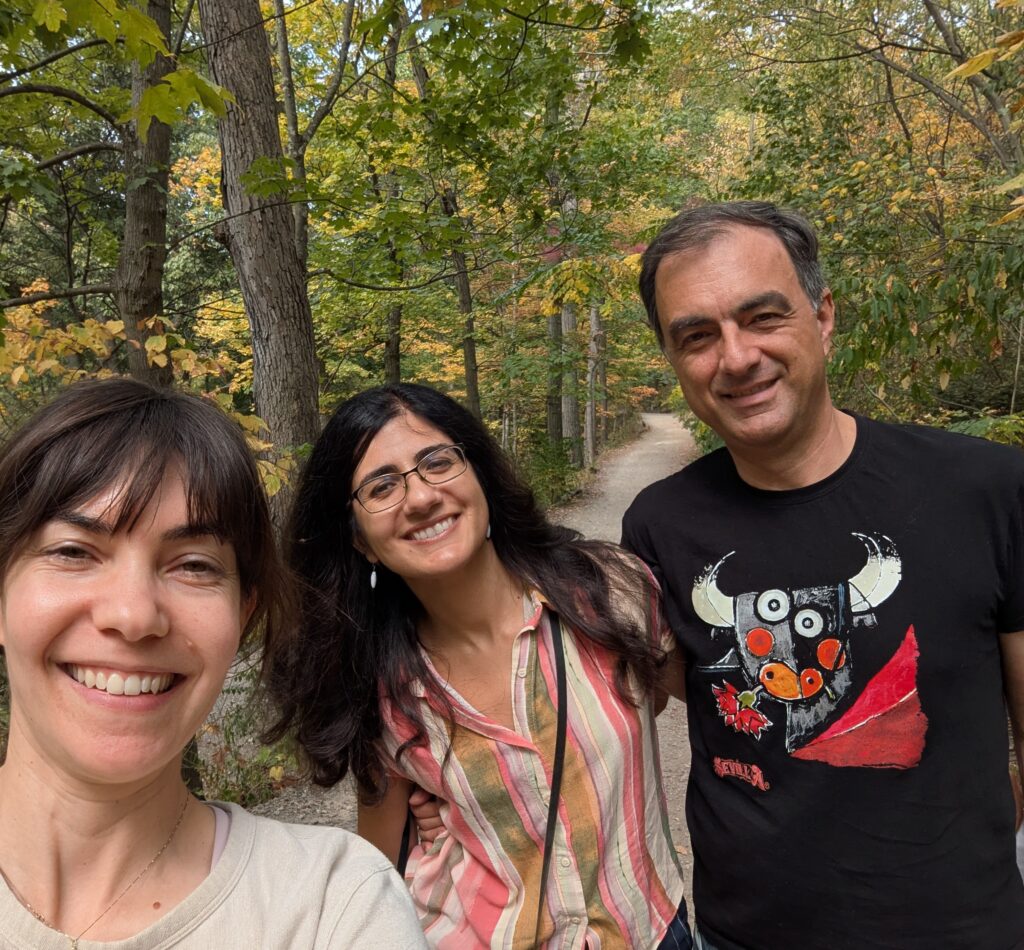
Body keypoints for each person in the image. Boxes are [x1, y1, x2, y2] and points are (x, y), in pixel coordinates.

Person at [621, 200, 1024, 950]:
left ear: (823, 315)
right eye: (697, 336)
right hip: (747, 935)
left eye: (763, 317)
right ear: (674, 359)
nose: (736, 357)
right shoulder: (658, 525)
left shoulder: (988, 490)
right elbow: (632, 702)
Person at [0, 378, 424, 949]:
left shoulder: (334, 906)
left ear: (242, 617)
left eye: (194, 566)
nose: (133, 615)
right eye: (73, 551)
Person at [263, 383, 691, 949]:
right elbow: (377, 870)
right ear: (360, 542)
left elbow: (669, 701)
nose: (419, 498)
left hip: (652, 930)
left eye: (437, 461)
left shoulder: (607, 592)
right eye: (381, 486)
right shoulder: (374, 688)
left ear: (479, 474)